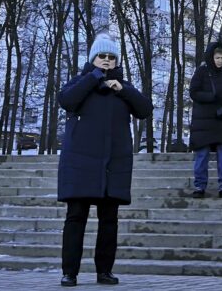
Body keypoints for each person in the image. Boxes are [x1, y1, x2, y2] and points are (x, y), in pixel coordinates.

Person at [57, 33, 153, 287]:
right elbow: (66, 100)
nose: (107, 61)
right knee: (76, 217)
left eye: (111, 57)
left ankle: (104, 271)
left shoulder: (123, 87)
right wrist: (93, 77)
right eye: (102, 56)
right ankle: (70, 272)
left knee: (109, 220)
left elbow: (145, 110)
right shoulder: (81, 82)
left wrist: (123, 89)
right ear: (93, 58)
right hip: (80, 163)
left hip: (113, 165)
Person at [188, 41, 222, 198]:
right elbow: (193, 92)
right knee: (202, 155)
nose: (220, 60)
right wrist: (212, 97)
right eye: (217, 57)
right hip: (203, 121)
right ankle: (199, 186)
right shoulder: (201, 72)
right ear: (211, 57)